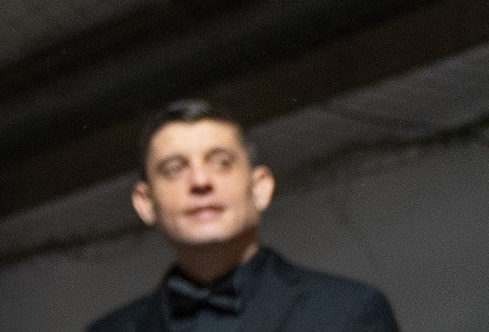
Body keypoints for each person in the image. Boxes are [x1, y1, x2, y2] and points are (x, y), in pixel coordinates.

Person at [88, 100, 400, 332]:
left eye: (222, 162)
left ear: (260, 187)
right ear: (145, 203)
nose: (200, 181)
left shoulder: (347, 313)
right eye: (174, 169)